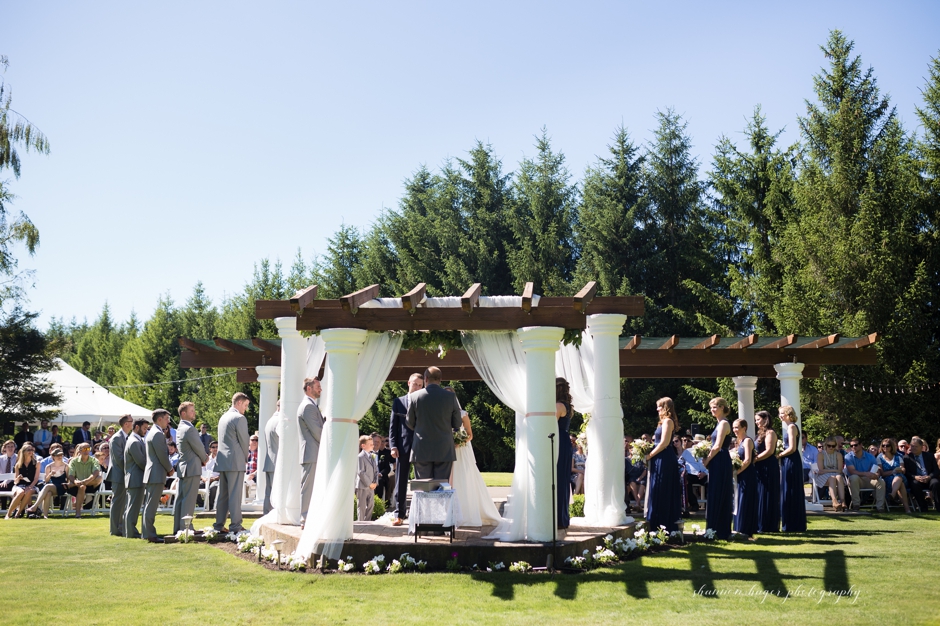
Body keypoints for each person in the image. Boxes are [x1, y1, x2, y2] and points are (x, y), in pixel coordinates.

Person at [446, 386, 502, 527]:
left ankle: (466, 513)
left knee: (463, 478)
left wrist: (459, 441)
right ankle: (450, 513)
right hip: (446, 451)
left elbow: (470, 435)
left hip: (461, 451)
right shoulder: (441, 414)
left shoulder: (463, 414)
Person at [407, 366, 462, 483]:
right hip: (444, 448)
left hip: (421, 448)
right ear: (440, 379)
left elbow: (409, 422)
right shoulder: (450, 397)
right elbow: (457, 423)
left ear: (425, 378)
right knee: (441, 488)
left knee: (423, 489)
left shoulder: (414, 397)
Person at [214, 393, 250, 534]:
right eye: (245, 405)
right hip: (235, 461)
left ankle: (218, 525)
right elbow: (244, 440)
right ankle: (235, 525)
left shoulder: (223, 417)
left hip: (223, 460)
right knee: (235, 494)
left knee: (223, 495)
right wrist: (245, 458)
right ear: (239, 403)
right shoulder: (239, 418)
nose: (246, 409)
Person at [389, 372, 423, 526]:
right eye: (415, 383)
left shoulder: (425, 402)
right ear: (408, 383)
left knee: (423, 481)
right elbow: (393, 426)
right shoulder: (398, 402)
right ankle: (399, 514)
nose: (417, 387)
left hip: (422, 446)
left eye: (420, 385)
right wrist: (393, 446)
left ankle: (421, 514)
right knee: (401, 481)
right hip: (402, 447)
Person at [645, 397, 682, 533]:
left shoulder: (668, 421)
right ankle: (656, 522)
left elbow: (664, 443)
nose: (657, 409)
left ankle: (664, 523)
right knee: (657, 488)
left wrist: (649, 455)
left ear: (665, 408)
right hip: (659, 457)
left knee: (663, 488)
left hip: (665, 458)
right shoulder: (662, 422)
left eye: (659, 407)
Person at [173, 401, 208, 534]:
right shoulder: (189, 428)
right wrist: (205, 458)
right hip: (191, 467)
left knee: (182, 499)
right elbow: (198, 447)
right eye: (191, 411)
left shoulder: (180, 428)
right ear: (183, 413)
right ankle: (187, 528)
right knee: (189, 499)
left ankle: (179, 527)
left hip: (184, 467)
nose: (194, 413)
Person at [703, 397, 733, 539]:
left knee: (719, 491)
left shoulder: (723, 424)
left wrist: (706, 460)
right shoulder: (719, 423)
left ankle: (719, 528)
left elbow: (717, 446)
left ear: (722, 407)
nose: (712, 410)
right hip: (718, 459)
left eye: (715, 407)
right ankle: (714, 527)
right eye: (711, 408)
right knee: (715, 491)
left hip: (720, 458)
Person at [143, 409, 174, 541]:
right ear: (159, 419)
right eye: (167, 418)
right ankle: (150, 534)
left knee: (150, 505)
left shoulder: (154, 433)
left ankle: (147, 533)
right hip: (156, 473)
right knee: (151, 505)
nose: (168, 421)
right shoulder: (157, 434)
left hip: (153, 473)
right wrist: (170, 469)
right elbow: (162, 455)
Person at [297, 377, 323, 527]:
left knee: (312, 486)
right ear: (309, 388)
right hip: (311, 453)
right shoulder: (308, 406)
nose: (320, 389)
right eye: (318, 386)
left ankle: (309, 517)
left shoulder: (311, 405)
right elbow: (318, 432)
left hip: (313, 453)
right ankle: (305, 518)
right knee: (307, 487)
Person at [778, 405, 807, 531]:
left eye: (782, 413)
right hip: (789, 460)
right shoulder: (791, 427)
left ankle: (792, 523)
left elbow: (792, 448)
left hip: (791, 460)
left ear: (788, 414)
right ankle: (791, 522)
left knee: (790, 488)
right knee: (789, 488)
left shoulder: (791, 427)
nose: (780, 416)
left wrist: (778, 455)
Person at [753, 410, 780, 533]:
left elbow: (769, 451)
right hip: (760, 466)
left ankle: (767, 524)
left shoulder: (770, 433)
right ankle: (759, 522)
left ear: (765, 419)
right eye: (756, 420)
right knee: (760, 493)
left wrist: (754, 459)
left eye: (758, 419)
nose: (756, 422)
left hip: (768, 466)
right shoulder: (759, 434)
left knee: (767, 494)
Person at [732, 419, 758, 540]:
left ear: (744, 428)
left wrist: (736, 472)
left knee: (745, 501)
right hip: (740, 474)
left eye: (737, 427)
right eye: (733, 428)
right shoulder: (739, 441)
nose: (735, 430)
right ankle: (738, 527)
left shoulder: (747, 441)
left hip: (747, 474)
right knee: (739, 501)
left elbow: (747, 460)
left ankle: (746, 528)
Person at [124, 418, 149, 538]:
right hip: (135, 478)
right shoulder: (134, 442)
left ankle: (129, 531)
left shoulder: (135, 440)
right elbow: (141, 462)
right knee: (133, 508)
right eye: (144, 428)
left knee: (132, 507)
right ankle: (131, 532)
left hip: (135, 478)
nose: (146, 431)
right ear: (137, 427)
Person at [845, 438, 886, 512]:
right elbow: (852, 471)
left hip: (869, 480)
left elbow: (876, 470)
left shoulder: (870, 456)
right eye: (851, 446)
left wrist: (876, 475)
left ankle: (880, 507)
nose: (853, 447)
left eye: (856, 445)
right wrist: (865, 473)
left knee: (881, 481)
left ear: (861, 445)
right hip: (857, 480)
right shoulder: (848, 457)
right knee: (854, 477)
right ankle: (856, 505)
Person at [555, 378, 575, 529]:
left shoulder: (558, 406)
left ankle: (558, 518)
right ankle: (562, 517)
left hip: (559, 441)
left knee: (559, 478)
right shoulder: (566, 405)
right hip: (564, 440)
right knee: (562, 478)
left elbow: (550, 423)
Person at [25, 448, 69, 518]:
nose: (59, 457)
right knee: (48, 493)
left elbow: (68, 479)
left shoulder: (66, 466)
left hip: (61, 486)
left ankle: (35, 506)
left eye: (61, 455)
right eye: (57, 455)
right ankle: (45, 515)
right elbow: (46, 480)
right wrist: (50, 474)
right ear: (53, 457)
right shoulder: (48, 466)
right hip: (51, 486)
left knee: (47, 486)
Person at [108, 415, 132, 537]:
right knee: (117, 502)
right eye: (131, 421)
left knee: (122, 503)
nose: (133, 423)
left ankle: (121, 527)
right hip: (118, 475)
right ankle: (115, 529)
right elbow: (119, 459)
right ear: (126, 424)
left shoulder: (126, 436)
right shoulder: (117, 438)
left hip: (124, 474)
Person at [903, 436, 940, 512]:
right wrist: (915, 477)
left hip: (929, 478)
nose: (913, 448)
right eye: (912, 446)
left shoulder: (929, 456)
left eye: (915, 446)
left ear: (921, 447)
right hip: (917, 479)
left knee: (936, 483)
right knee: (914, 484)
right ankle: (923, 507)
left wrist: (929, 477)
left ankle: (938, 506)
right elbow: (907, 473)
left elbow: (936, 471)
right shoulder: (907, 458)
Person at [66, 442, 101, 518]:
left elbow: (96, 472)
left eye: (88, 449)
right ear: (80, 450)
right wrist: (75, 481)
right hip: (78, 485)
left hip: (91, 484)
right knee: (82, 487)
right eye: (84, 449)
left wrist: (86, 481)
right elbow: (70, 475)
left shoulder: (94, 460)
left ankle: (78, 513)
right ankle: (78, 513)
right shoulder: (74, 461)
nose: (86, 450)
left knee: (99, 478)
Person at [877, 438, 911, 513]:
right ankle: (907, 509)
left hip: (901, 477)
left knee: (898, 476)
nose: (885, 447)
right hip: (888, 480)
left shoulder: (898, 457)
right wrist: (893, 471)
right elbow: (882, 473)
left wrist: (901, 469)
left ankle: (893, 493)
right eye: (883, 445)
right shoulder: (879, 458)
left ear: (891, 446)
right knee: (900, 484)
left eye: (887, 445)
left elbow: (903, 469)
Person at [6, 444, 39, 518]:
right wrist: (18, 478)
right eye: (28, 450)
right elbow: (15, 482)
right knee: (21, 492)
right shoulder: (18, 464)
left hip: (32, 485)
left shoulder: (36, 463)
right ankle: (8, 514)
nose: (31, 451)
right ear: (24, 452)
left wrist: (30, 486)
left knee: (28, 491)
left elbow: (36, 478)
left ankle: (18, 513)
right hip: (20, 485)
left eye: (32, 450)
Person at [815, 436, 847, 510]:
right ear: (826, 445)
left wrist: (832, 471)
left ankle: (842, 501)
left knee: (838, 477)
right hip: (823, 476)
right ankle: (834, 501)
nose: (831, 448)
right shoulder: (821, 455)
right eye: (829, 446)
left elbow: (840, 470)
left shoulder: (838, 455)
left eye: (833, 446)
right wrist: (834, 470)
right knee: (832, 478)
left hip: (835, 475)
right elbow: (821, 470)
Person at [679, 435, 708, 513]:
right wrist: (684, 469)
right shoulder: (687, 451)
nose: (696, 443)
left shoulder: (708, 452)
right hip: (690, 474)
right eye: (694, 442)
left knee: (711, 483)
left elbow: (712, 465)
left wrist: (705, 473)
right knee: (685, 483)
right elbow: (680, 462)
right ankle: (694, 504)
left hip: (704, 474)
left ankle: (710, 505)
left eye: (698, 442)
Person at [262, 401, 279, 515]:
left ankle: (266, 515)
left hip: (269, 462)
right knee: (276, 493)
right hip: (277, 462)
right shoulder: (279, 421)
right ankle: (272, 516)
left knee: (268, 493)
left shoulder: (270, 421)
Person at [356, 435, 378, 522]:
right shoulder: (360, 457)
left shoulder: (372, 456)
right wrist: (369, 483)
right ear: (363, 446)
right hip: (363, 485)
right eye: (370, 444)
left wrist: (375, 482)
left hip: (371, 486)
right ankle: (360, 523)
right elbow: (361, 472)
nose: (373, 445)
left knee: (371, 505)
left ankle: (367, 522)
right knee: (362, 506)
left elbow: (376, 470)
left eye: (373, 444)